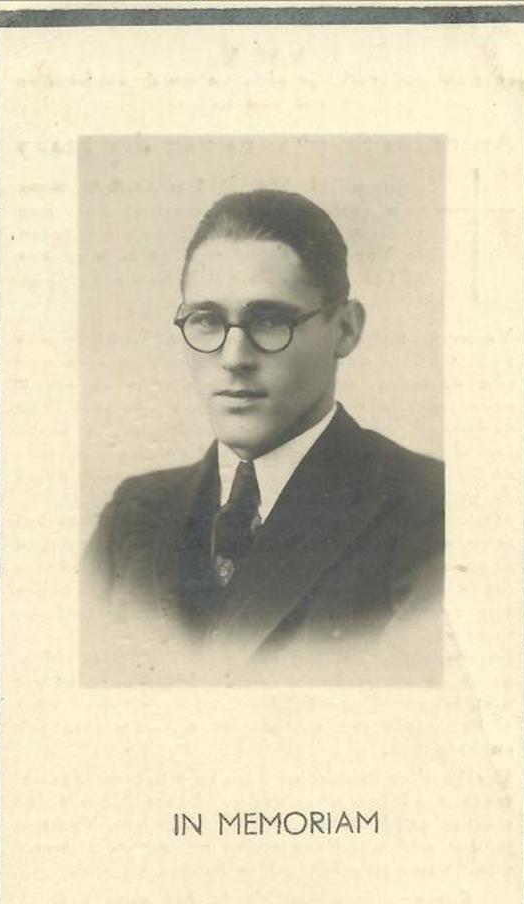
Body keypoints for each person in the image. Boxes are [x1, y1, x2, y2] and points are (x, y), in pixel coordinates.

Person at [85, 189, 444, 666]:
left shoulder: (430, 512)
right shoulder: (131, 518)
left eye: (270, 320)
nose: (234, 358)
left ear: (345, 329)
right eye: (207, 320)